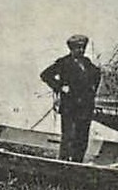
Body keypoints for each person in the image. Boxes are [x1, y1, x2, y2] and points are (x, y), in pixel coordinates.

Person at [39, 34, 103, 162]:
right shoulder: (64, 62)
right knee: (68, 137)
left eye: (83, 47)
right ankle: (63, 163)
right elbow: (45, 75)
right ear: (71, 48)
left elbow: (97, 75)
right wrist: (60, 87)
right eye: (77, 47)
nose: (81, 50)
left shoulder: (87, 63)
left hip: (85, 107)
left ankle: (77, 163)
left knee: (82, 137)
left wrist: (91, 92)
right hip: (70, 106)